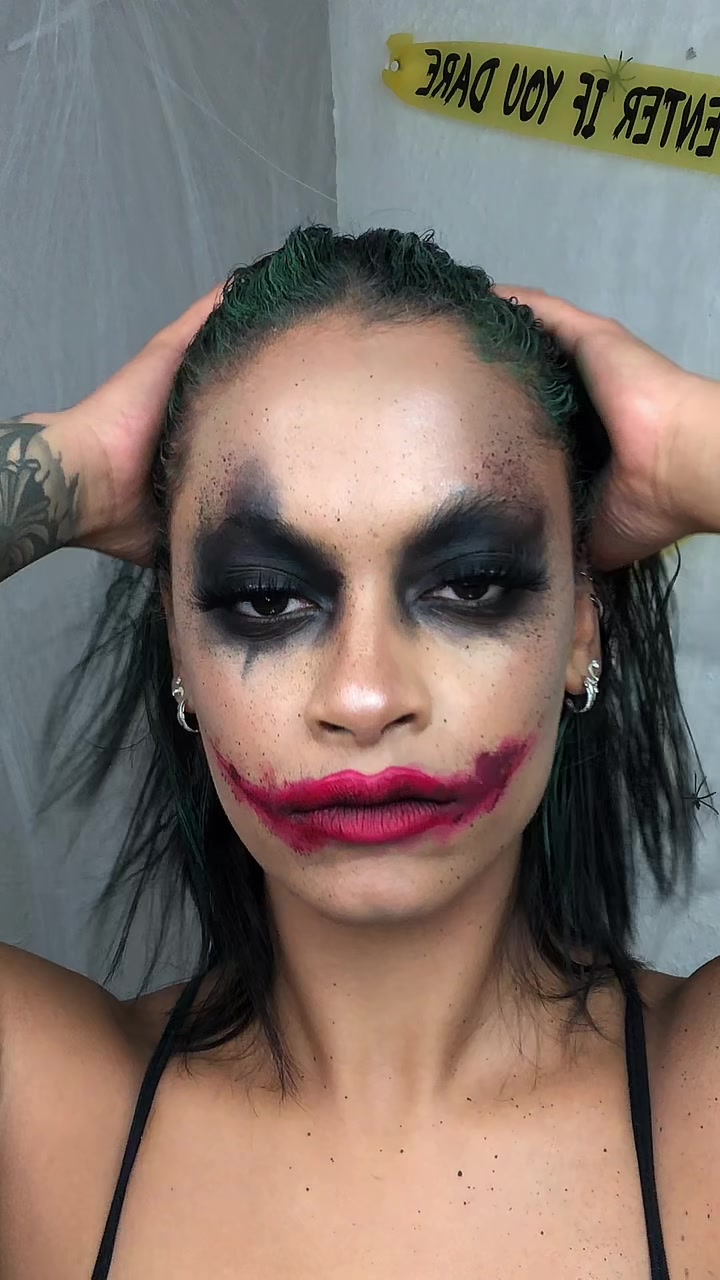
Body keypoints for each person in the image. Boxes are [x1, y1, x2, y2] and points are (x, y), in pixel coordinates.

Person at [0, 226, 718, 1279]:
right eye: (266, 598)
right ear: (180, 650)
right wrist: (76, 468)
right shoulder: (47, 1118)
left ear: (580, 629)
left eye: (470, 583)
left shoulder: (704, 1107)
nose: (366, 695)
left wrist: (691, 447)